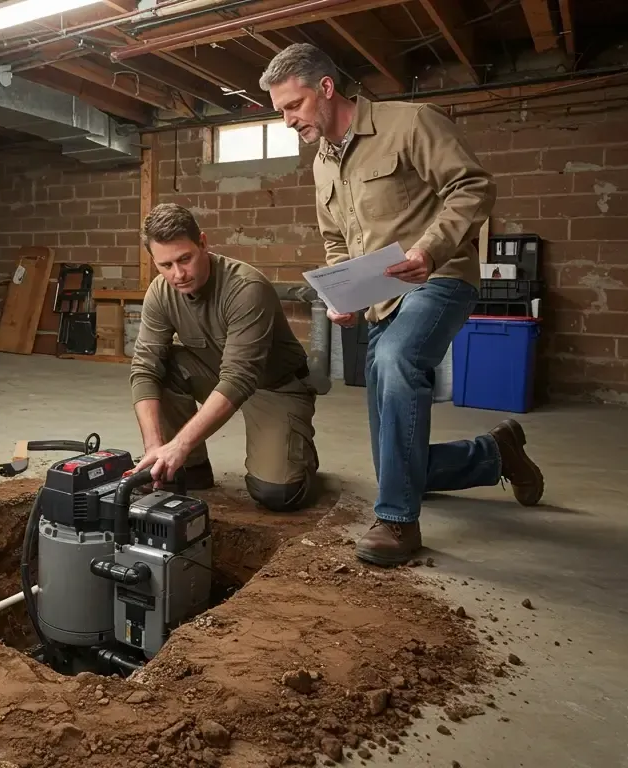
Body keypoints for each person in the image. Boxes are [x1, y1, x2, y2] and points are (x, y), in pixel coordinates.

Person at [259, 43, 546, 566]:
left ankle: (397, 521)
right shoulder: (323, 163)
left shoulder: (410, 124)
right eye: (280, 111)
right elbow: (335, 241)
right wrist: (339, 292)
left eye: (293, 106)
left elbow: (472, 186)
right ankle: (494, 453)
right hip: (377, 302)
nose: (287, 120)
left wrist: (429, 249)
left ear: (325, 88)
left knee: (396, 362)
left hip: (439, 280)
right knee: (394, 455)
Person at [129, 203, 320, 513]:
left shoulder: (246, 288)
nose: (178, 275)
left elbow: (239, 378)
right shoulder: (160, 293)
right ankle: (191, 467)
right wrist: (155, 446)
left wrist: (179, 443)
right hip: (216, 373)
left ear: (203, 243)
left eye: (185, 259)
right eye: (165, 265)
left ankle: (301, 460)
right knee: (162, 368)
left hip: (275, 385)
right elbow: (144, 369)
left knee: (278, 493)